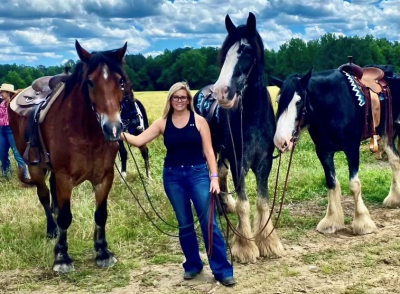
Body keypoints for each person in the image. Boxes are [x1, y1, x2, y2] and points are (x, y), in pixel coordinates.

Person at [121, 81, 235, 286]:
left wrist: (215, 177)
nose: (180, 101)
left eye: (183, 97)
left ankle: (222, 269)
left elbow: (209, 152)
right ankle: (193, 264)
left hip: (198, 175)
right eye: (176, 97)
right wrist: (118, 134)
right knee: (185, 224)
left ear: (188, 100)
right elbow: (139, 141)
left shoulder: (199, 121)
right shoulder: (163, 123)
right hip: (173, 177)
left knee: (209, 223)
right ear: (170, 99)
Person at [0, 83, 29, 179]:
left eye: (3, 92)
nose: (1, 93)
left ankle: (24, 175)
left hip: (12, 130)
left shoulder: (15, 105)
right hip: (2, 130)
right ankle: (6, 173)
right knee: (2, 153)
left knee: (17, 154)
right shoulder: (2, 104)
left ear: (8, 93)